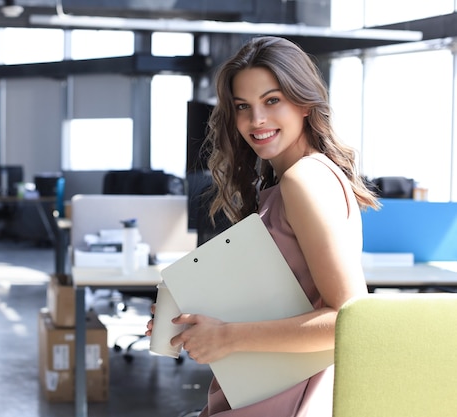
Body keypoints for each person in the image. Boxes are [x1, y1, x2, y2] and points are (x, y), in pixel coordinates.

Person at [146, 36, 379, 416]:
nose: (256, 121)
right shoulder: (291, 178)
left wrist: (226, 337)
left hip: (285, 397)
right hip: (264, 386)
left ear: (303, 102)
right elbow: (283, 296)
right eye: (243, 107)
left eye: (272, 101)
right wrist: (193, 318)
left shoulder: (303, 181)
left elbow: (348, 319)